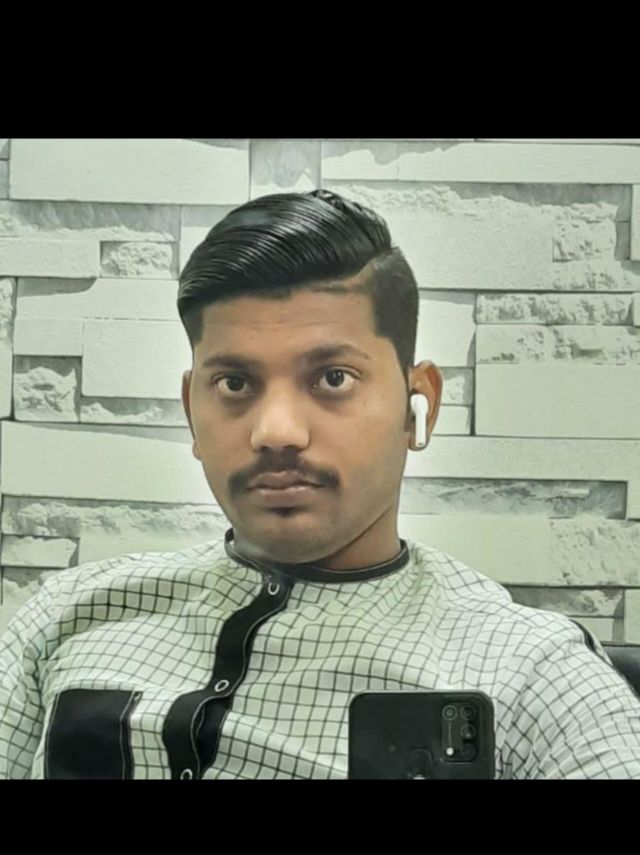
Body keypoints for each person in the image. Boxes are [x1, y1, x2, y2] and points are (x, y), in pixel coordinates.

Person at [1, 189, 639, 780]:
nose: (275, 432)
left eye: (333, 378)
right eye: (234, 384)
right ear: (192, 410)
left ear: (418, 405)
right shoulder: (64, 616)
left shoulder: (528, 672)